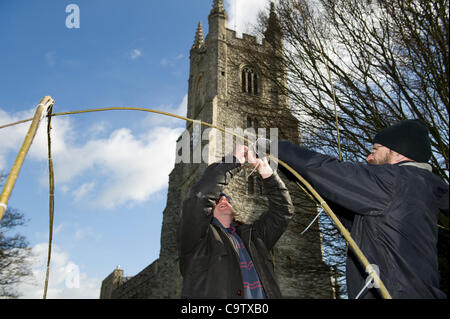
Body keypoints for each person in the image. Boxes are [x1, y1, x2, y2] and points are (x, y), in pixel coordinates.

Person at [277, 119, 448, 299]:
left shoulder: (395, 182)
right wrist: (295, 173)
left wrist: (272, 146)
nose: (369, 157)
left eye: (375, 150)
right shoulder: (412, 190)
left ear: (398, 153)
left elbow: (323, 168)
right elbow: (358, 223)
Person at [178, 145, 294, 299]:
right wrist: (232, 162)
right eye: (218, 199)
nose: (224, 199)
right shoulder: (197, 240)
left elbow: (283, 211)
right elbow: (199, 198)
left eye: (228, 199)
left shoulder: (254, 237)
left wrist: (266, 172)